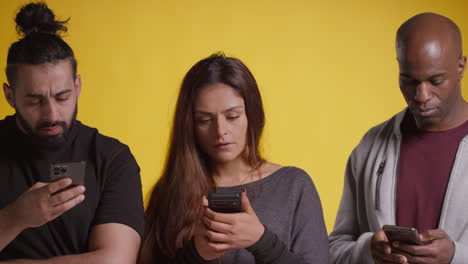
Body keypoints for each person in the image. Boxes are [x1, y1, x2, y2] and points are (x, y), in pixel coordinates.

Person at [138, 53, 330, 264]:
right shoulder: (169, 192)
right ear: (189, 126)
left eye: (233, 117)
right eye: (204, 120)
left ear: (253, 114)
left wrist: (261, 241)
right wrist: (197, 253)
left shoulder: (294, 186)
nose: (220, 131)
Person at [0, 2, 144, 262]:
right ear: (10, 95)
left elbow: (115, 260)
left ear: (77, 87)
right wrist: (16, 217)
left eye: (62, 97)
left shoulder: (111, 157)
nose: (51, 114)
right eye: (34, 101)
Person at [329, 13, 468, 264]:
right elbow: (333, 250)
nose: (422, 95)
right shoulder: (371, 146)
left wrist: (456, 256)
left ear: (461, 67)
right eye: (408, 80)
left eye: (436, 81)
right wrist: (368, 251)